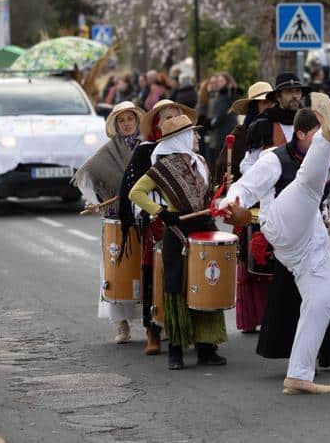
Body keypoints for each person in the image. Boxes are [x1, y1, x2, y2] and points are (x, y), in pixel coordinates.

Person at [220, 94, 330, 394]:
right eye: (320, 135)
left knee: (322, 302)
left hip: (310, 239)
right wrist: (231, 204)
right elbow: (245, 186)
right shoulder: (274, 159)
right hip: (280, 225)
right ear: (300, 135)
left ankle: (298, 374)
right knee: (308, 184)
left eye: (329, 136)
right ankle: (324, 130)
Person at [129, 113, 227, 370]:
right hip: (177, 231)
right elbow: (136, 192)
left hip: (204, 229)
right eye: (193, 133)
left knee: (206, 285)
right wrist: (160, 212)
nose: (198, 137)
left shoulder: (201, 162)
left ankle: (206, 347)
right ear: (180, 138)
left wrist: (223, 189)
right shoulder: (162, 168)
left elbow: (206, 195)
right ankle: (176, 350)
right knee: (177, 289)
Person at [117, 99, 194, 355]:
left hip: (186, 219)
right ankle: (153, 330)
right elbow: (133, 190)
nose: (171, 121)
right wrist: (156, 211)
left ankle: (186, 328)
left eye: (175, 116)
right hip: (157, 220)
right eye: (166, 117)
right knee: (154, 276)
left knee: (188, 275)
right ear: (158, 124)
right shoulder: (146, 151)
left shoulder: (189, 152)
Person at [71, 101, 144, 344]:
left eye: (130, 119)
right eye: (121, 120)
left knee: (146, 269)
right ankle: (122, 325)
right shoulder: (107, 151)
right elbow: (87, 174)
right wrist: (96, 201)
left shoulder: (147, 147)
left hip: (143, 215)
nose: (126, 124)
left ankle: (154, 322)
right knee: (117, 271)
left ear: (137, 121)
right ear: (116, 125)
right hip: (116, 218)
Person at [212, 82, 275, 334]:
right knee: (249, 264)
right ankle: (251, 317)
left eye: (271, 101)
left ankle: (274, 317)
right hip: (248, 207)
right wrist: (229, 181)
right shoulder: (242, 134)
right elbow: (222, 166)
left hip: (275, 207)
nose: (268, 106)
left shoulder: (280, 131)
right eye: (263, 102)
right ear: (254, 106)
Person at [242, 73, 308, 172]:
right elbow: (248, 163)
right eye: (289, 91)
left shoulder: (309, 122)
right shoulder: (263, 124)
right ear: (278, 96)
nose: (294, 96)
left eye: (298, 91)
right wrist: (261, 178)